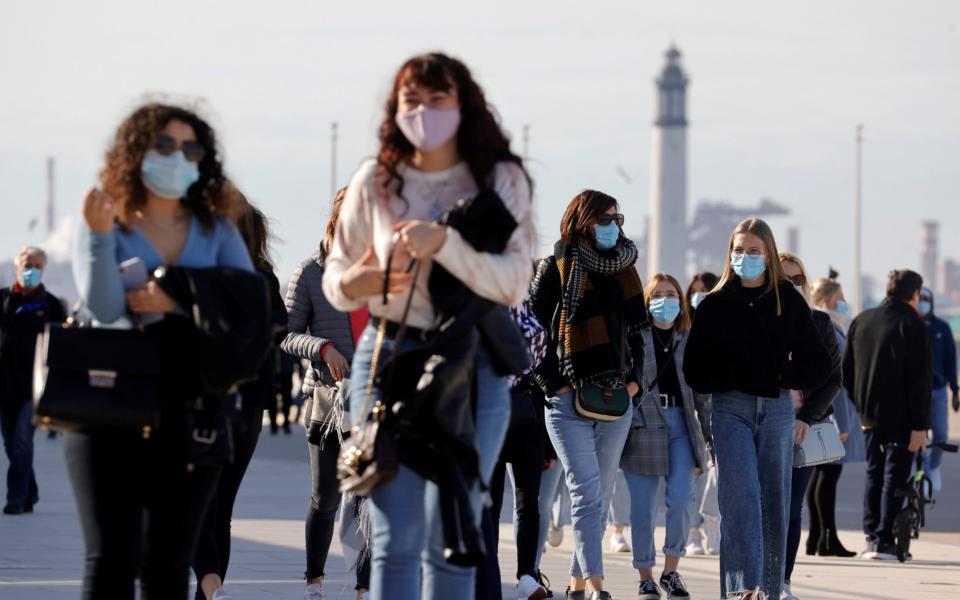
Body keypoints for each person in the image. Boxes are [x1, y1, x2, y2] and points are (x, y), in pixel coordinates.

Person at [322, 52, 535, 600]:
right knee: (395, 538)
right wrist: (367, 281)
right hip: (390, 355)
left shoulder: (501, 179)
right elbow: (337, 278)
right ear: (395, 108)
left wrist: (446, 245)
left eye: (438, 99)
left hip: (474, 363)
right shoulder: (377, 179)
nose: (424, 111)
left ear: (463, 104)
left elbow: (514, 282)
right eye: (412, 100)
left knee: (455, 537)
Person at [71, 102, 256, 598]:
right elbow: (107, 306)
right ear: (136, 152)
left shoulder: (216, 229)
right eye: (165, 145)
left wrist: (177, 295)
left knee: (168, 567)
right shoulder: (104, 217)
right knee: (111, 561)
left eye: (191, 148)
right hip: (109, 407)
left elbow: (250, 308)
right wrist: (97, 237)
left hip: (189, 408)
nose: (178, 157)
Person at [683, 218, 831, 600]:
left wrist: (781, 372)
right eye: (738, 250)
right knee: (741, 497)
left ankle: (770, 588)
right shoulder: (714, 305)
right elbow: (695, 370)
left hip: (777, 407)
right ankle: (743, 589)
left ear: (768, 255)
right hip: (730, 408)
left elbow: (818, 364)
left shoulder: (788, 300)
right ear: (728, 254)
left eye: (753, 251)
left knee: (775, 502)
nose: (744, 257)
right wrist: (736, 372)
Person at [530, 189, 646, 600]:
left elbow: (639, 332)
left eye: (617, 218)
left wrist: (636, 384)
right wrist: (553, 383)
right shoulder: (556, 267)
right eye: (604, 218)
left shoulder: (625, 268)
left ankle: (578, 581)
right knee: (585, 491)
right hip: (568, 400)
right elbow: (532, 333)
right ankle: (598, 585)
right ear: (582, 222)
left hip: (616, 399)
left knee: (601, 491)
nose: (613, 226)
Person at [192, 199, 288, 600]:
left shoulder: (205, 274)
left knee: (200, 504)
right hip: (248, 399)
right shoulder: (264, 278)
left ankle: (209, 582)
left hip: (210, 399)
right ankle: (210, 591)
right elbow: (279, 327)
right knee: (221, 508)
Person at [282, 187, 369, 600]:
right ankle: (314, 581)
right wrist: (321, 348)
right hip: (328, 405)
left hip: (371, 402)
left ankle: (364, 587)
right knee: (327, 497)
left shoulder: (380, 272)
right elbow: (285, 334)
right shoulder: (311, 272)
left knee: (367, 498)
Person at [619, 273, 710, 600]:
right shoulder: (634, 337)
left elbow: (701, 393)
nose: (666, 300)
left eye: (672, 294)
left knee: (683, 499)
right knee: (642, 508)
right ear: (646, 301)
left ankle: (671, 571)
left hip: (683, 424)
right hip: (644, 422)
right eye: (658, 294)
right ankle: (645, 575)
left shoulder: (689, 336)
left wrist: (708, 441)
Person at [843, 270, 931, 561]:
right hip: (904, 418)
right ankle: (884, 539)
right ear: (914, 294)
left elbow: (846, 371)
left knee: (874, 472)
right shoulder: (913, 325)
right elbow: (920, 381)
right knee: (896, 474)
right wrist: (920, 426)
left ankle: (871, 537)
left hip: (869, 415)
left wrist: (861, 406)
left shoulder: (862, 320)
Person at [778, 253, 842, 600]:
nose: (791, 285)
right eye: (783, 278)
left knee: (790, 508)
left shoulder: (818, 322)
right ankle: (755, 577)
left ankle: (782, 580)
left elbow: (834, 379)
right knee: (757, 506)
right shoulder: (758, 319)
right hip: (760, 425)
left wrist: (808, 417)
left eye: (797, 278)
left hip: (801, 429)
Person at [484, 300, 551, 600]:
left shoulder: (524, 303)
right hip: (488, 412)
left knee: (529, 501)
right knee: (491, 503)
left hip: (525, 410)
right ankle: (489, 575)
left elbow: (539, 348)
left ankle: (527, 574)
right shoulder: (477, 301)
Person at [0, 246, 66, 515]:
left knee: (22, 441)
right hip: (4, 385)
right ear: (17, 267)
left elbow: (61, 347)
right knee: (10, 444)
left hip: (34, 388)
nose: (31, 271)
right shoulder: (3, 299)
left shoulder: (50, 305)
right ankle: (31, 490)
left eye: (37, 266)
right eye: (27, 265)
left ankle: (15, 498)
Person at [805, 276, 863, 558]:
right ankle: (827, 537)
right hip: (833, 410)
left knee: (821, 474)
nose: (843, 302)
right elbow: (834, 378)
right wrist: (842, 420)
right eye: (839, 296)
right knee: (828, 475)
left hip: (830, 409)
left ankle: (817, 537)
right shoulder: (826, 325)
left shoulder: (827, 325)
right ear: (829, 300)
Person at [683, 271, 720, 556]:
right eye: (694, 291)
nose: (699, 296)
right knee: (696, 475)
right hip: (689, 414)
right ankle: (694, 529)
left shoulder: (725, 326)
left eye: (704, 290)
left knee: (716, 473)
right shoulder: (682, 330)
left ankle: (711, 520)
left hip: (718, 411)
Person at [917, 287, 958, 492]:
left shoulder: (941, 327)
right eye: (919, 298)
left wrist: (955, 390)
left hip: (938, 391)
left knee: (941, 433)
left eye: (926, 299)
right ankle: (919, 471)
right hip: (915, 392)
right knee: (917, 435)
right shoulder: (909, 325)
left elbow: (951, 360)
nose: (922, 302)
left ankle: (933, 467)